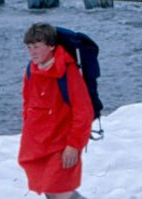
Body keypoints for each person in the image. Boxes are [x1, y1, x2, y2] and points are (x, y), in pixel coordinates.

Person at [19, 23, 93, 199]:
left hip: (61, 143)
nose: (32, 52)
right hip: (37, 144)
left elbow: (84, 112)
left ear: (51, 46)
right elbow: (27, 103)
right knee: (50, 189)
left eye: (37, 47)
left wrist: (74, 145)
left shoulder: (67, 71)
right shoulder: (31, 70)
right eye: (29, 47)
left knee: (60, 191)